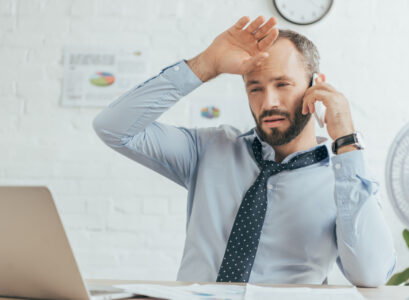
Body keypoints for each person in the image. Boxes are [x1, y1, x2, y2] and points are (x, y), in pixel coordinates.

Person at [93, 16, 396, 286]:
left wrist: (346, 141)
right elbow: (112, 127)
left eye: (283, 84)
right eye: (255, 88)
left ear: (316, 85)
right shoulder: (208, 149)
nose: (268, 102)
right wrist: (206, 64)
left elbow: (371, 274)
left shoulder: (345, 178)